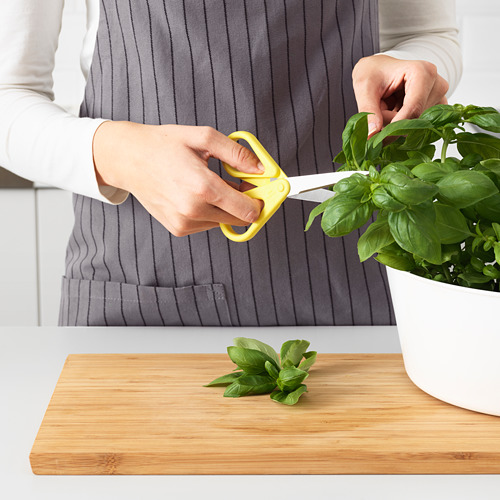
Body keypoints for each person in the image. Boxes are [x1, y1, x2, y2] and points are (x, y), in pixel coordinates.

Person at [0, 0, 461, 327]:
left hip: (365, 275)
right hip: (141, 278)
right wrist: (118, 153)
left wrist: (409, 66)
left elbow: (429, 36)